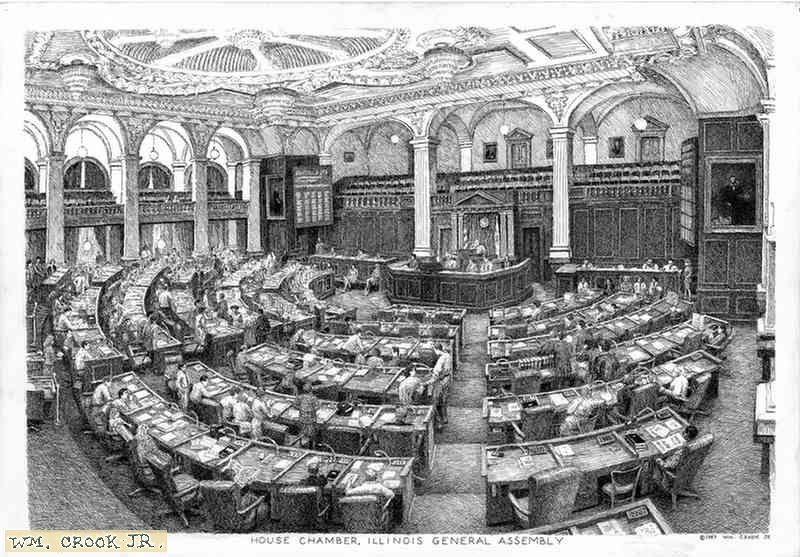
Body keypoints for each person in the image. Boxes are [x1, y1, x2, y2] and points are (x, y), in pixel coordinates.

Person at [297, 383, 318, 448]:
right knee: (311, 433)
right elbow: (317, 406)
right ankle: (311, 446)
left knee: (302, 432)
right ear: (311, 390)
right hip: (311, 419)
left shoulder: (300, 397)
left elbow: (294, 404)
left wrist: (301, 408)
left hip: (302, 419)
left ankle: (301, 444)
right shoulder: (313, 398)